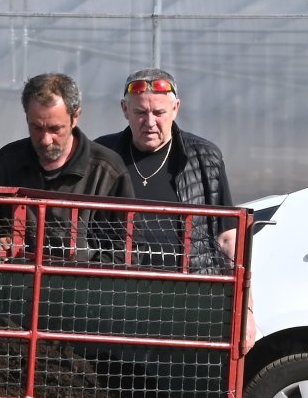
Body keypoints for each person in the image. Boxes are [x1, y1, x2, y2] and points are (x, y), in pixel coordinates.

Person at [0, 73, 132, 260]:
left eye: (55, 129)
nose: (45, 140)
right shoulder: (5, 164)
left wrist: (87, 277)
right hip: (16, 285)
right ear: (26, 116)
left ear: (75, 117)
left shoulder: (106, 172)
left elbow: (127, 246)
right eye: (36, 127)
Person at [94, 68, 237, 271]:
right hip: (116, 289)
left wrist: (241, 295)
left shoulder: (204, 158)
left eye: (159, 113)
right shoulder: (103, 156)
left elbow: (227, 237)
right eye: (140, 112)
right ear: (125, 109)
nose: (150, 122)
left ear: (175, 109)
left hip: (191, 290)